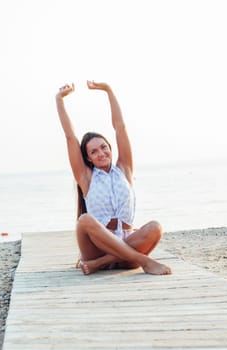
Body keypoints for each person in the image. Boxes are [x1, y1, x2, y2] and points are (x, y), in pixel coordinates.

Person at [55, 80, 172, 275]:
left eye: (104, 147)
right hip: (97, 247)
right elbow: (70, 137)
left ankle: (100, 264)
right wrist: (59, 100)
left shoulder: (124, 169)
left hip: (126, 246)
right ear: (88, 158)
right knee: (84, 220)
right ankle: (144, 261)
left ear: (110, 148)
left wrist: (108, 90)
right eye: (94, 151)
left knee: (155, 227)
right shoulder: (86, 177)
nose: (101, 153)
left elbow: (120, 128)